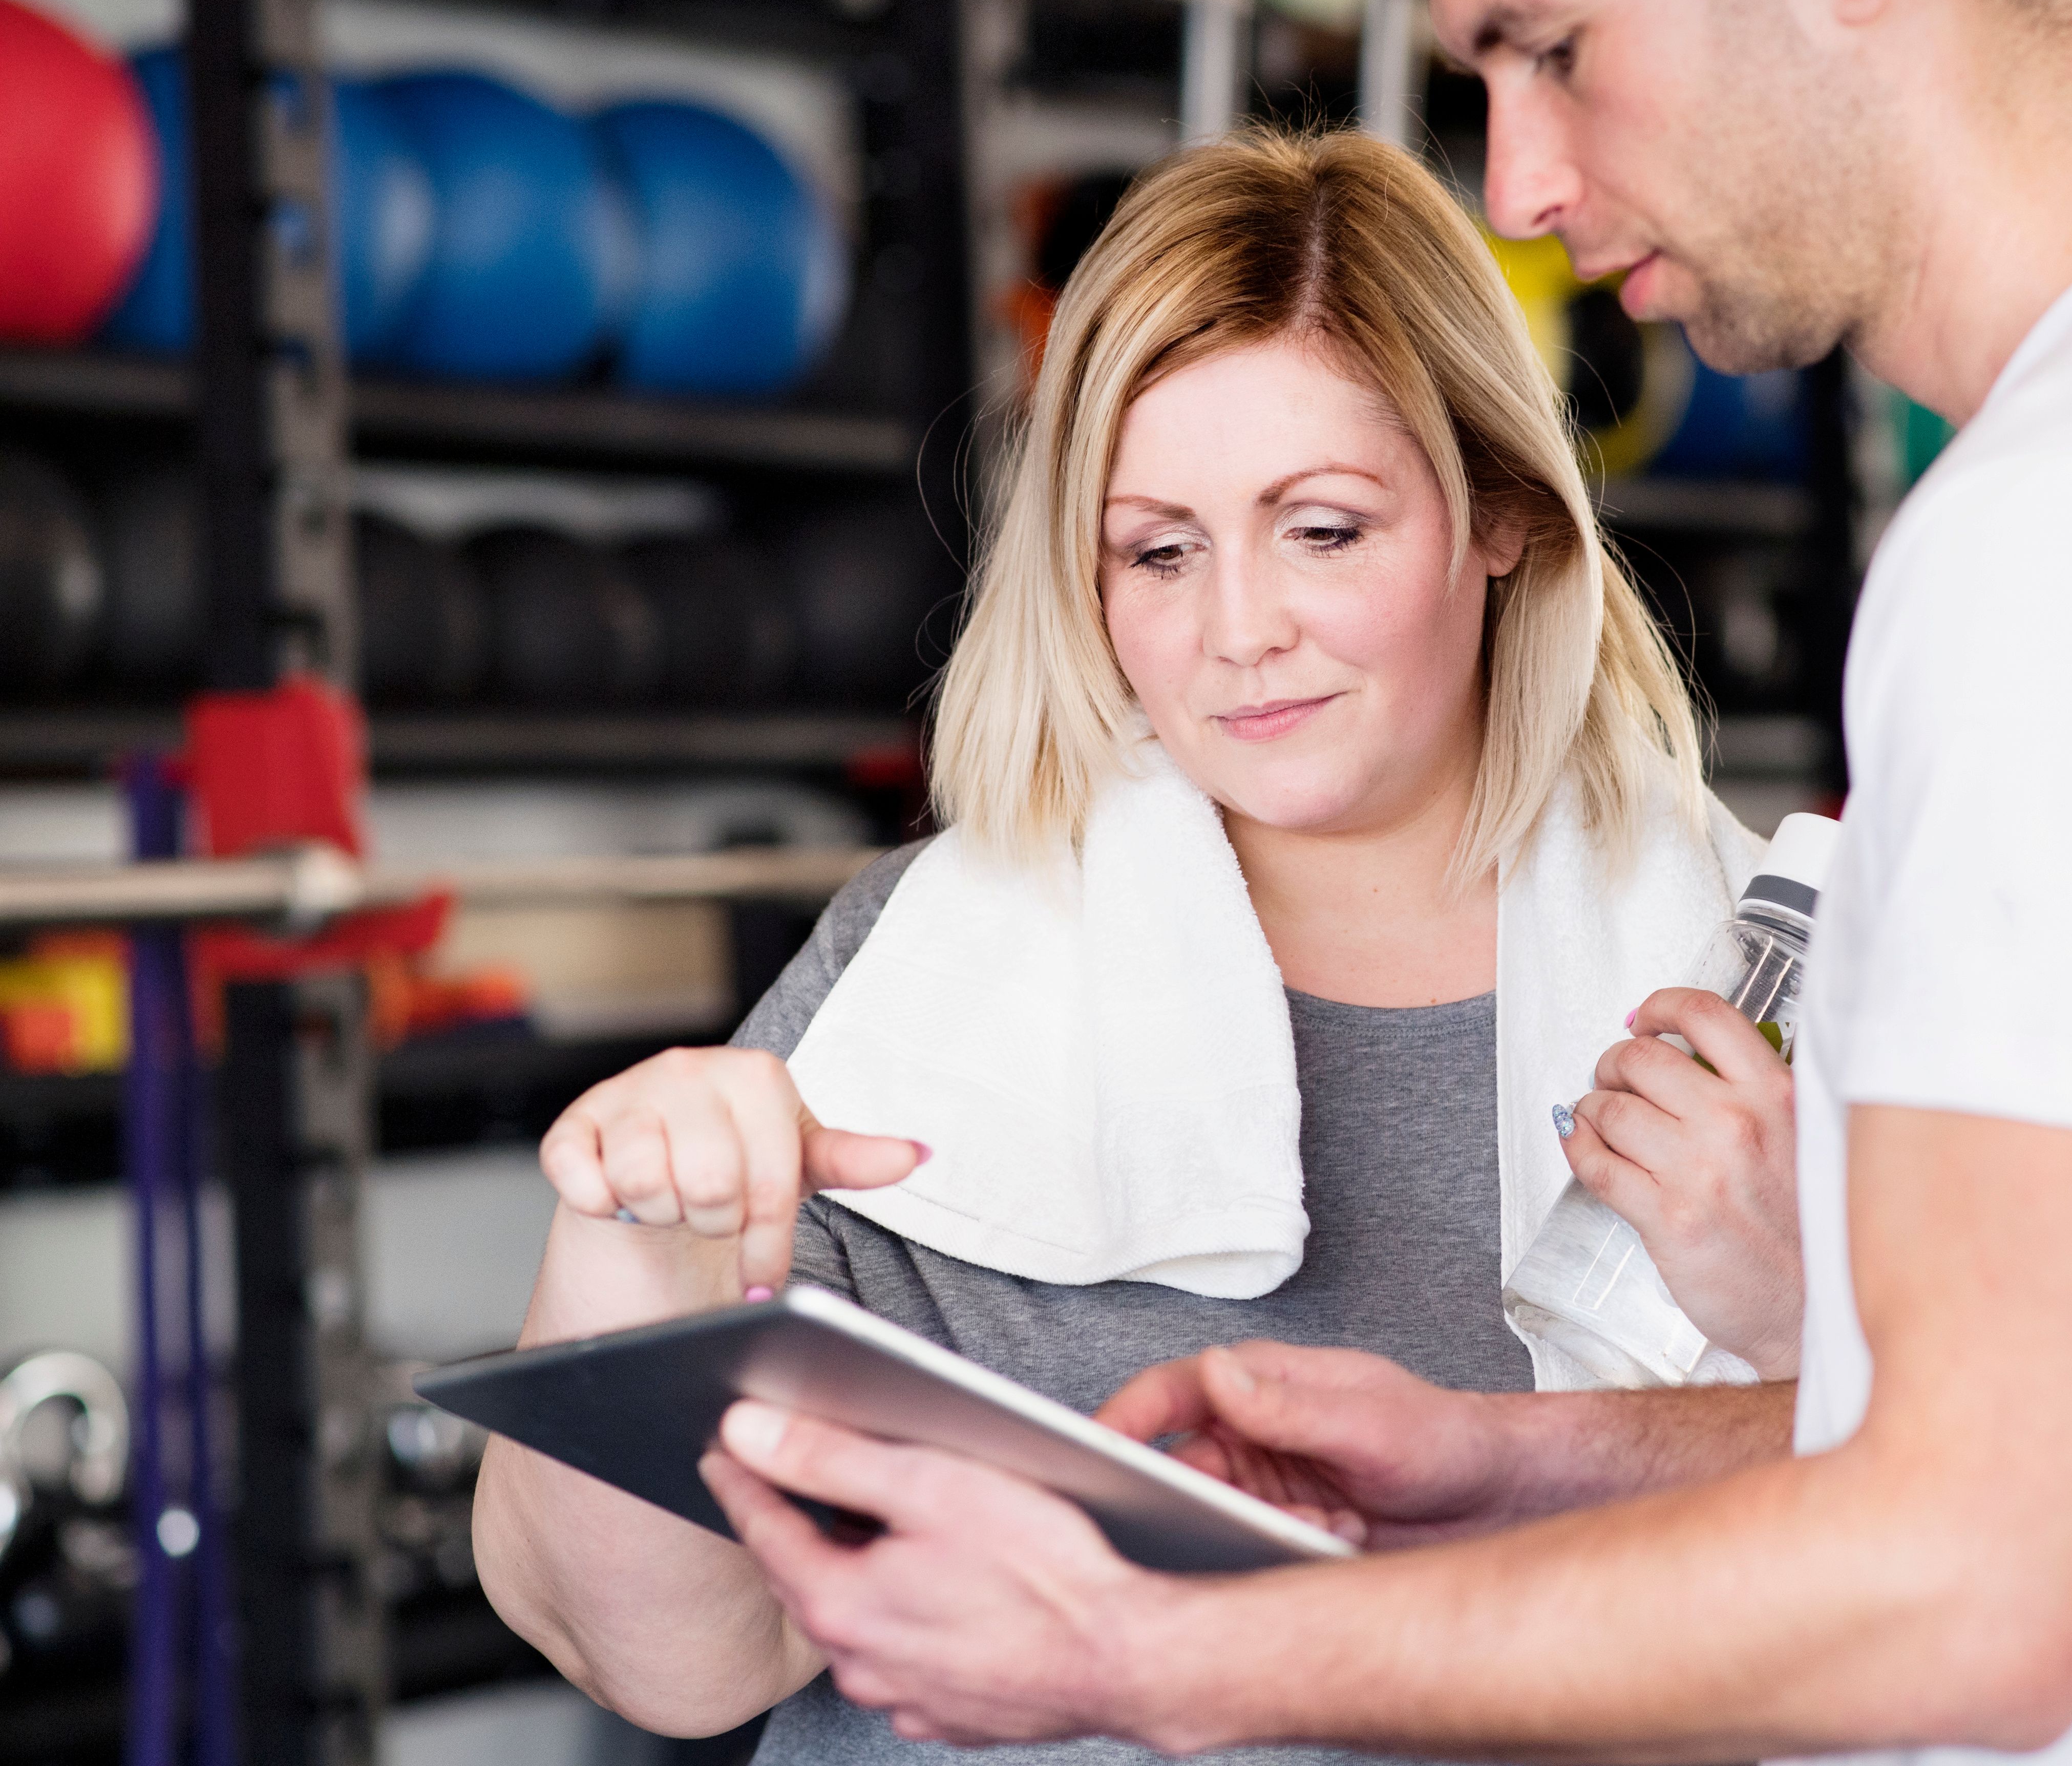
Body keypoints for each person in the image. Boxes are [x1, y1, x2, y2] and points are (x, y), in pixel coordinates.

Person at [689, 0, 2072, 1761]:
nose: (1521, 185)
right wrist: (1518, 1462)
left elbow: (1983, 1581)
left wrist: (1167, 1653)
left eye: (1553, 47)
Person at [467, 129, 1811, 1756]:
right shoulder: (928, 966)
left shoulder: (1776, 1002)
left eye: (1324, 530)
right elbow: (673, 1668)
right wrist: (631, 1254)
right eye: (1160, 551)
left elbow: (1970, 1597)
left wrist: (1812, 1323)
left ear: (1503, 514)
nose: (1239, 632)